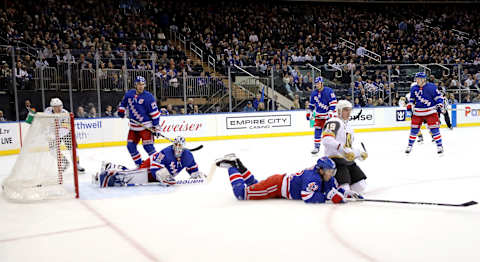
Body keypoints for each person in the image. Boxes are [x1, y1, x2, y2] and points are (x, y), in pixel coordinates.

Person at [215, 154, 362, 203]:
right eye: (330, 171)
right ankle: (232, 167)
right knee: (242, 194)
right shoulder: (313, 178)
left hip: (278, 183)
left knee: (255, 185)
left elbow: (331, 188)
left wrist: (345, 192)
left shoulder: (325, 176)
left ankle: (239, 166)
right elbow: (307, 196)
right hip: (277, 186)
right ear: (321, 170)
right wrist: (327, 197)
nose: (332, 173)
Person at [94, 137, 206, 187]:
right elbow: (154, 170)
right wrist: (163, 176)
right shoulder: (165, 153)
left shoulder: (188, 156)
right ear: (173, 145)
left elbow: (192, 169)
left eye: (180, 146)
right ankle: (107, 172)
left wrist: (196, 174)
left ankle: (112, 165)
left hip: (157, 171)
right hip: (150, 165)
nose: (177, 148)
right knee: (130, 177)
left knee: (132, 172)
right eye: (175, 145)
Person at [321, 100, 368, 193]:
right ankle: (329, 185)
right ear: (339, 111)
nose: (348, 112)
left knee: (361, 187)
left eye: (349, 110)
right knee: (344, 189)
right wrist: (343, 150)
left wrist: (359, 154)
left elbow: (348, 148)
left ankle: (342, 184)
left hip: (348, 162)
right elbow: (327, 140)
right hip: (335, 160)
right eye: (345, 110)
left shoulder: (349, 127)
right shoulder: (333, 121)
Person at [118, 76, 161, 166]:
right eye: (139, 84)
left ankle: (158, 165)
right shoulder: (129, 94)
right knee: (130, 146)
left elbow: (155, 114)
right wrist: (121, 110)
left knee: (148, 147)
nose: (141, 86)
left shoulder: (149, 97)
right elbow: (123, 104)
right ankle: (140, 165)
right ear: (135, 85)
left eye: (142, 84)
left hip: (146, 127)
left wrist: (156, 127)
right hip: (133, 127)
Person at [405, 72, 444, 155]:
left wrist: (440, 104)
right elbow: (412, 99)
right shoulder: (414, 88)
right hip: (418, 112)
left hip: (430, 111)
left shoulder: (432, 87)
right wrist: (409, 106)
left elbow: (439, 97)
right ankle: (409, 146)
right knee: (414, 130)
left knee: (434, 130)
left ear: (423, 79)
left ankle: (439, 146)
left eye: (418, 79)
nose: (417, 80)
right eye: (416, 79)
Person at [45, 98, 85, 173]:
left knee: (73, 149)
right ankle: (64, 162)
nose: (59, 108)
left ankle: (77, 165)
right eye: (56, 106)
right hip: (54, 133)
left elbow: (66, 128)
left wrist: (56, 135)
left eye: (60, 106)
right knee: (52, 151)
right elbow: (45, 123)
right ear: (52, 107)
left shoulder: (65, 113)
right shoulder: (47, 111)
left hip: (66, 133)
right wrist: (49, 134)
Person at [307, 76, 337, 154]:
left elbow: (333, 102)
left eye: (318, 83)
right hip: (318, 115)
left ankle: (333, 147)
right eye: (316, 84)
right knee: (317, 130)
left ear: (322, 83)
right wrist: (309, 112)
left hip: (328, 115)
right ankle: (316, 147)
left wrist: (331, 111)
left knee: (331, 132)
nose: (317, 85)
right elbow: (311, 105)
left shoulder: (329, 91)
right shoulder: (314, 93)